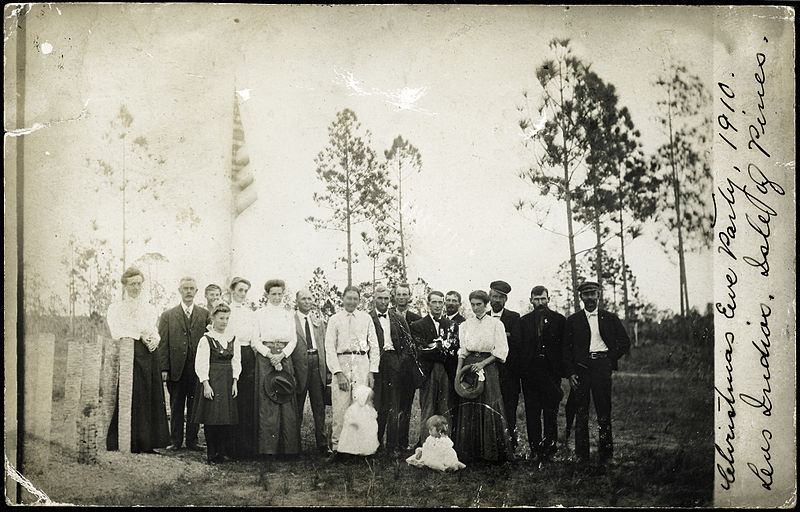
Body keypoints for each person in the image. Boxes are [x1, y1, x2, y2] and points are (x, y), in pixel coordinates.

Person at [564, 281, 630, 464]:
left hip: (602, 368)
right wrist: (570, 373)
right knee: (581, 412)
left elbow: (624, 342)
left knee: (604, 411)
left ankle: (606, 455)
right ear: (581, 297)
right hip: (581, 371)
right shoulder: (573, 320)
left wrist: (610, 359)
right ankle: (581, 456)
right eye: (586, 294)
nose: (590, 297)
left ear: (599, 295)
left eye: (593, 293)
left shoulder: (610, 318)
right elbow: (566, 350)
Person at [106, 267, 170, 453]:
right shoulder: (116, 308)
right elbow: (116, 331)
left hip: (149, 353)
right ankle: (130, 442)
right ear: (125, 285)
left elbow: (152, 328)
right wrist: (139, 335)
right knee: (134, 394)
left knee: (151, 394)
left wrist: (155, 339)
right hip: (130, 352)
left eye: (139, 284)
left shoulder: (149, 307)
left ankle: (149, 443)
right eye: (132, 283)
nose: (136, 287)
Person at [453, 290, 514, 463]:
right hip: (469, 367)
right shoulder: (465, 325)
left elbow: (501, 351)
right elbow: (462, 352)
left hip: (488, 366)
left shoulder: (495, 324)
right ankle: (469, 453)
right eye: (472, 304)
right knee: (469, 403)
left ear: (486, 304)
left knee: (489, 403)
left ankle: (491, 454)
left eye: (479, 304)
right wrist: (459, 373)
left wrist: (482, 364)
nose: (475, 308)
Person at [324, 285, 380, 460]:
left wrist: (372, 371)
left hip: (361, 363)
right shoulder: (334, 319)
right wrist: (338, 372)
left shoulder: (366, 318)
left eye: (355, 298)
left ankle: (362, 448)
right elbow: (329, 348)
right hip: (342, 361)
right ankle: (338, 447)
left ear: (359, 300)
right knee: (341, 407)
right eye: (349, 298)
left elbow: (375, 346)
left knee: (362, 406)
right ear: (343, 298)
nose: (352, 301)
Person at [511, 285, 566, 461]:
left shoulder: (559, 320)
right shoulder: (523, 322)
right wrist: (523, 371)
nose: (540, 302)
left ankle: (550, 449)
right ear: (531, 301)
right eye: (536, 299)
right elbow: (517, 348)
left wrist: (559, 370)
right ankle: (536, 450)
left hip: (551, 374)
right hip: (530, 375)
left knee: (550, 412)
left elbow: (564, 347)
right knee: (532, 413)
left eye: (543, 299)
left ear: (548, 299)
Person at [158, 277, 208, 451]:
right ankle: (175, 440)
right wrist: (164, 368)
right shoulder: (168, 315)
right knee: (176, 404)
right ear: (179, 291)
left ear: (196, 291)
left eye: (191, 288)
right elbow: (163, 343)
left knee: (195, 405)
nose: (188, 291)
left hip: (197, 369)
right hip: (176, 369)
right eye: (185, 288)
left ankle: (192, 441)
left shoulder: (204, 314)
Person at [252, 279, 300, 456]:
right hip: (265, 359)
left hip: (284, 357)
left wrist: (282, 355)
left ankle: (288, 449)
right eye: (273, 294)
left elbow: (293, 339)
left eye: (280, 294)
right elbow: (255, 340)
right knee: (268, 400)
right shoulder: (259, 314)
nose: (277, 297)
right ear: (267, 295)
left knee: (286, 398)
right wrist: (269, 354)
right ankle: (268, 450)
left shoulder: (289, 314)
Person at [191, 302, 241, 464]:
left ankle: (223, 452)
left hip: (227, 382)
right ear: (213, 318)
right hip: (212, 381)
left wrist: (235, 381)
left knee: (226, 418)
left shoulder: (233, 338)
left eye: (227, 318)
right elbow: (201, 363)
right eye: (221, 318)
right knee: (212, 418)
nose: (224, 321)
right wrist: (205, 383)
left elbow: (236, 361)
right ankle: (212, 454)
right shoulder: (206, 339)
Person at [369, 284, 415, 454]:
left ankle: (392, 446)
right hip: (375, 364)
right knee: (377, 404)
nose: (383, 302)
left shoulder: (397, 318)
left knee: (394, 405)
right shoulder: (368, 318)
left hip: (394, 363)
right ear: (374, 299)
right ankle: (374, 443)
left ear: (391, 299)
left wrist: (399, 361)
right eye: (380, 298)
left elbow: (408, 344)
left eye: (386, 298)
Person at [410, 291, 457, 448]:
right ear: (428, 304)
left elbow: (453, 350)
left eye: (440, 302)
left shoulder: (450, 325)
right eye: (434, 302)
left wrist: (435, 348)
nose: (437, 305)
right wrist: (440, 349)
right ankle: (426, 446)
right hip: (428, 372)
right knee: (428, 408)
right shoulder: (417, 326)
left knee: (445, 409)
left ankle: (445, 447)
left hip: (445, 371)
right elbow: (420, 351)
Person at [291, 288, 330, 454]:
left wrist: (327, 371)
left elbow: (325, 345)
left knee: (319, 406)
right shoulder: (290, 320)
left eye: (309, 299)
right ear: (297, 301)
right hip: (300, 364)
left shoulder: (318, 321)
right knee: (297, 406)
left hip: (317, 364)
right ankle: (294, 444)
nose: (307, 302)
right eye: (303, 299)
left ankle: (322, 443)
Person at [488, 280, 522, 449]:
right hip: (489, 371)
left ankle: (511, 444)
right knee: (491, 407)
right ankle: (493, 443)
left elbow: (516, 341)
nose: (497, 300)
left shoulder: (514, 317)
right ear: (489, 297)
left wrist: (500, 336)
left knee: (509, 408)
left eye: (501, 297)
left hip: (509, 373)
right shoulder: (484, 316)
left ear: (505, 300)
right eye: (494, 296)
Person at [227, 277, 257, 459]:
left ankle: (246, 448)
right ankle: (230, 448)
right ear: (232, 291)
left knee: (246, 400)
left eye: (246, 291)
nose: (243, 294)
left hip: (247, 355)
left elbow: (253, 337)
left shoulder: (250, 313)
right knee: (232, 399)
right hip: (229, 353)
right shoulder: (225, 310)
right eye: (240, 290)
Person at [336, 384, 379, 457]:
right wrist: (353, 423)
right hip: (355, 428)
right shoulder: (353, 409)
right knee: (352, 440)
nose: (370, 401)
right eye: (368, 399)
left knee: (365, 440)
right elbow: (348, 417)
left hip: (364, 429)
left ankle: (366, 453)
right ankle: (349, 453)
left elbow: (374, 415)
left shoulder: (368, 409)